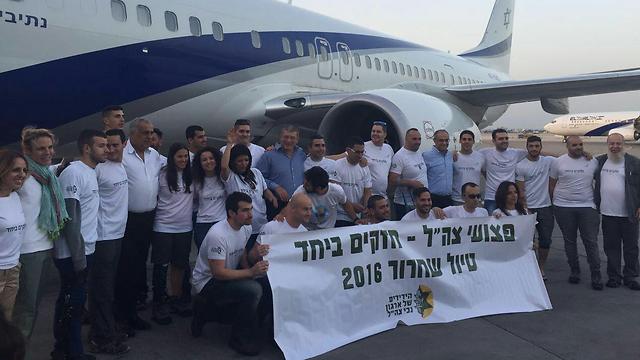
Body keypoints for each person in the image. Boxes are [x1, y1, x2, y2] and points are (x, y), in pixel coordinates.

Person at [190, 192, 270, 356]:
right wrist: (250, 272)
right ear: (232, 213)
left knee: (264, 284)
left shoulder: (245, 227)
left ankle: (253, 327)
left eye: (251, 209)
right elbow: (218, 273)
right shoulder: (217, 235)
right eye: (245, 210)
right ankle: (237, 339)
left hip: (228, 275)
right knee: (253, 290)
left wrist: (251, 269)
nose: (250, 214)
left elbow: (241, 252)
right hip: (207, 281)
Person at [52, 129, 107, 360]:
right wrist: (79, 260)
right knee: (71, 305)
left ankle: (66, 349)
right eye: (102, 145)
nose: (108, 149)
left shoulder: (90, 172)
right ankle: (70, 352)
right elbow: (70, 221)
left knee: (74, 304)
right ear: (87, 148)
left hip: (85, 251)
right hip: (73, 255)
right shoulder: (74, 173)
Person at [14, 128, 68, 338]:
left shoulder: (46, 175)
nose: (48, 152)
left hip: (46, 248)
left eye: (50, 147)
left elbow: (53, 167)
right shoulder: (22, 178)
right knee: (25, 310)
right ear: (27, 150)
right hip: (27, 252)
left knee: (33, 308)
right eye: (41, 149)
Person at [117, 118, 163, 334]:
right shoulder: (121, 155)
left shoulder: (154, 155)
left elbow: (179, 162)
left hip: (148, 220)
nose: (149, 137)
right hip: (128, 221)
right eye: (145, 133)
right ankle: (121, 317)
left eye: (151, 132)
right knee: (125, 270)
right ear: (132, 134)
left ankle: (132, 313)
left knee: (138, 269)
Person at [88, 129, 130, 355]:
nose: (110, 150)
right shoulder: (99, 170)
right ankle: (100, 337)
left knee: (109, 287)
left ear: (124, 144)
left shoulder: (121, 166)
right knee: (101, 289)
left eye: (114, 145)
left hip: (118, 235)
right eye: (106, 146)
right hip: (103, 237)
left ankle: (106, 327)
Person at [549, 136, 602, 290]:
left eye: (580, 145)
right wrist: (555, 203)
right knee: (569, 241)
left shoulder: (592, 161)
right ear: (567, 146)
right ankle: (575, 270)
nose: (578, 147)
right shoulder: (558, 162)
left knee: (591, 241)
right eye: (574, 145)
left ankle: (596, 273)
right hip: (563, 206)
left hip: (587, 206)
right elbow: (552, 184)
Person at [152, 143, 194, 324]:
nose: (183, 160)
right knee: (161, 266)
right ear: (172, 158)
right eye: (179, 156)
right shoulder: (161, 175)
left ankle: (177, 298)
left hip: (184, 228)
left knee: (180, 265)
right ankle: (159, 301)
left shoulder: (192, 176)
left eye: (186, 156)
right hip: (163, 227)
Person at [594, 133, 640, 290]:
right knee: (611, 247)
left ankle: (631, 277)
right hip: (608, 214)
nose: (615, 147)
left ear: (624, 144)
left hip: (630, 214)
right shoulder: (600, 161)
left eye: (618, 143)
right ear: (607, 144)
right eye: (611, 143)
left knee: (631, 247)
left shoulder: (634, 162)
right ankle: (614, 277)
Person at [221, 130, 277, 241]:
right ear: (233, 162)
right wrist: (229, 144)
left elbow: (265, 190)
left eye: (246, 160)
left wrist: (273, 198)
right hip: (241, 229)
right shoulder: (230, 177)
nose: (244, 164)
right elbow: (223, 167)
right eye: (239, 161)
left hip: (261, 226)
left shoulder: (256, 172)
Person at [515, 135, 554, 279]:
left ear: (541, 147)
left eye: (537, 146)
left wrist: (586, 154)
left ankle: (541, 267)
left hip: (545, 207)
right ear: (527, 147)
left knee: (545, 240)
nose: (534, 149)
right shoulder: (521, 166)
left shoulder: (548, 161)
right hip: (529, 208)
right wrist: (525, 208)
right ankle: (529, 267)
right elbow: (521, 190)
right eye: (531, 146)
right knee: (528, 241)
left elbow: (563, 159)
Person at [0, 151, 28, 320]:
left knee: (6, 321)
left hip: (13, 269)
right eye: (16, 170)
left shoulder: (15, 196)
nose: (22, 175)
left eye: (24, 170)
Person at [256, 125, 306, 208]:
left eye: (292, 138)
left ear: (297, 140)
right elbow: (258, 177)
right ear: (280, 138)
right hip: (277, 204)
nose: (288, 140)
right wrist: (276, 187)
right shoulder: (268, 156)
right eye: (285, 137)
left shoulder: (301, 154)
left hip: (299, 204)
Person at [479, 128, 527, 214]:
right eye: (500, 139)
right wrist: (455, 154)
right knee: (492, 223)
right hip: (491, 198)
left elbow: (534, 153)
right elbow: (469, 155)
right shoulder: (485, 153)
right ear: (493, 141)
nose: (504, 141)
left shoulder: (516, 153)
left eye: (506, 138)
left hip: (509, 198)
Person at [389, 128, 429, 219]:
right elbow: (392, 180)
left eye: (419, 139)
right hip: (405, 204)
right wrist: (411, 183)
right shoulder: (399, 156)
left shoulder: (418, 152)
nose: (418, 142)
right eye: (414, 139)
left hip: (421, 203)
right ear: (406, 139)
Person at [192, 147, 226, 250]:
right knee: (204, 257)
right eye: (204, 160)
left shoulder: (223, 177)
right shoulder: (196, 181)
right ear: (200, 163)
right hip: (202, 224)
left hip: (221, 222)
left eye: (211, 158)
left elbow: (225, 167)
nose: (208, 162)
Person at [334, 137, 372, 227]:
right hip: (340, 216)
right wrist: (353, 208)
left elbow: (367, 191)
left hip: (358, 215)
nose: (360, 155)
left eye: (362, 152)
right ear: (348, 150)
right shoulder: (337, 166)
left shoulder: (364, 167)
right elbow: (337, 194)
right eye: (357, 152)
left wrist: (366, 209)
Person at [423, 129, 454, 208]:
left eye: (446, 140)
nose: (444, 143)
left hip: (449, 199)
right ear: (434, 140)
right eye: (441, 140)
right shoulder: (426, 156)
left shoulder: (451, 155)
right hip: (433, 199)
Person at [452, 130, 484, 206]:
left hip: (475, 199)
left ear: (473, 141)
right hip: (457, 200)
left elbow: (485, 174)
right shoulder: (453, 157)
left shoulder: (480, 157)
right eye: (464, 139)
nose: (467, 142)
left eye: (469, 139)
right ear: (460, 141)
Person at [364, 121, 394, 196]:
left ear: (385, 134)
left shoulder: (388, 148)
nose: (375, 134)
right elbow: (345, 156)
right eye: (373, 131)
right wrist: (329, 159)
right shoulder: (364, 146)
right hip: (368, 195)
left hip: (383, 196)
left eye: (378, 132)